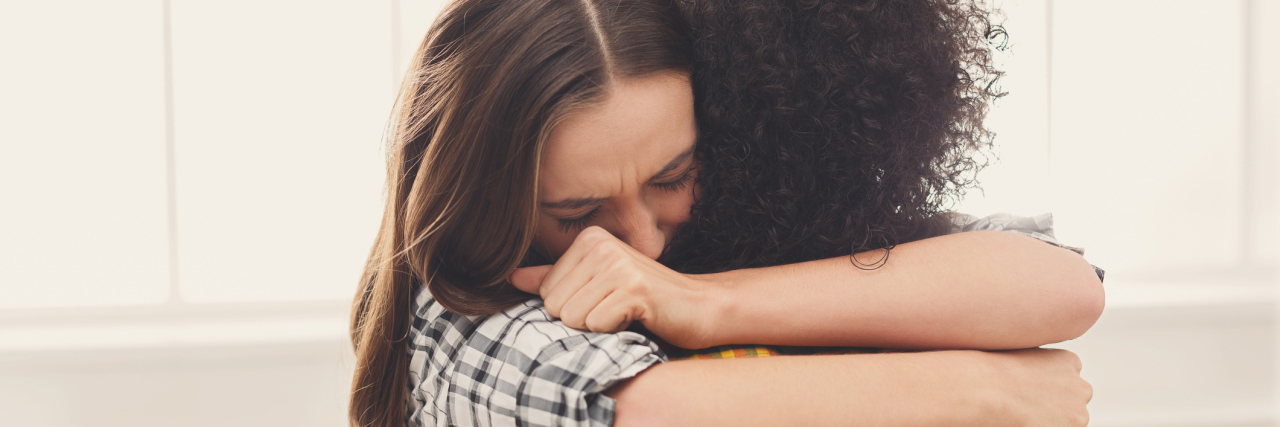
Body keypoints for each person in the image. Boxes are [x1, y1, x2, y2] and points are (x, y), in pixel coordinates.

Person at [348, 0, 1104, 426]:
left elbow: (1063, 288)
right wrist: (983, 390)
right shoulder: (463, 317)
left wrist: (706, 303)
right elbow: (651, 413)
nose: (641, 243)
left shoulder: (757, 233)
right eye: (578, 213)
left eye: (675, 177)